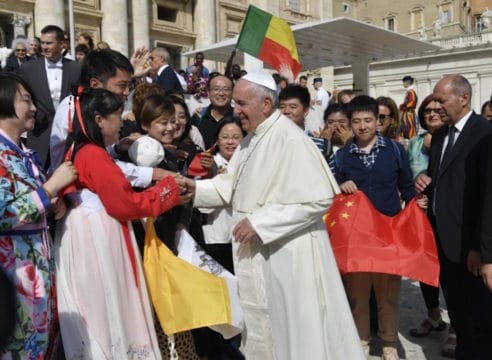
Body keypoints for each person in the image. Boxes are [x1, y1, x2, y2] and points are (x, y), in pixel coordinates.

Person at [183, 71, 364, 359]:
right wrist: (192, 189)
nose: (235, 110)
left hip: (289, 256)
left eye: (241, 103)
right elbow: (227, 187)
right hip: (261, 256)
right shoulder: (251, 140)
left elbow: (319, 198)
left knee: (293, 333)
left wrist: (260, 223)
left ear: (266, 104)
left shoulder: (290, 139)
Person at [54, 88, 190, 359]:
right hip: (98, 243)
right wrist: (168, 191)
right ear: (99, 119)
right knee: (110, 310)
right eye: (117, 115)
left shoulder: (85, 149)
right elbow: (124, 204)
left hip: (90, 237)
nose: (121, 122)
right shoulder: (92, 154)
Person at [329, 95, 416, 360]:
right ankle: (362, 342)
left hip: (388, 233)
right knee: (358, 295)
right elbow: (332, 190)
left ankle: (389, 342)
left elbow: (407, 187)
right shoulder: (342, 156)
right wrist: (340, 186)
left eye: (368, 120)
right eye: (357, 121)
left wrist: (415, 217)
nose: (363, 126)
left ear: (377, 121)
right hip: (356, 237)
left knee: (387, 293)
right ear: (350, 124)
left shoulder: (394, 150)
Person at [0, 73, 77, 359]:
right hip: (12, 274)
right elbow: (3, 212)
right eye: (26, 100)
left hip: (34, 271)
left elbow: (36, 202)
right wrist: (49, 188)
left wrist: (54, 203)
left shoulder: (22, 153)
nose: (34, 108)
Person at [415, 74, 492, 359]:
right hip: (444, 243)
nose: (437, 106)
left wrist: (481, 249)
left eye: (442, 99)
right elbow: (444, 177)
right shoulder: (439, 137)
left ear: (463, 98)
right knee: (459, 314)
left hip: (470, 248)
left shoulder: (484, 134)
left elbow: (487, 198)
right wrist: (426, 180)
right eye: (434, 99)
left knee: (480, 319)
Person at [406, 94, 455, 356]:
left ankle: (456, 328)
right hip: (419, 214)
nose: (432, 114)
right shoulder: (414, 143)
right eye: (427, 111)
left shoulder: (454, 139)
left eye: (437, 110)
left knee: (449, 272)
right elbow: (407, 175)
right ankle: (434, 316)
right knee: (424, 267)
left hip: (445, 216)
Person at [19, 25, 81, 169]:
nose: (44, 47)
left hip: (68, 134)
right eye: (43, 43)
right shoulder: (28, 68)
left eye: (49, 43)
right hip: (39, 132)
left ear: (62, 44)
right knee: (38, 175)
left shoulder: (75, 68)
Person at [278, 84, 326, 153]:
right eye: (282, 106)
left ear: (306, 111)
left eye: (292, 107)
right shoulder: (269, 140)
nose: (286, 111)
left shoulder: (318, 145)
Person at [191, 74, 234, 149]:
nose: (221, 93)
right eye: (216, 89)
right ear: (209, 92)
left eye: (226, 89)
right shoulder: (198, 117)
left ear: (232, 93)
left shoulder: (239, 118)